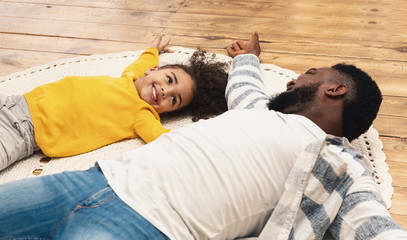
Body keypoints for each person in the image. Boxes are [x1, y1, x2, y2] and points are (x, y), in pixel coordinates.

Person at [0, 32, 406, 240]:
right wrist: (248, 57)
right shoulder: (258, 109)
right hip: (94, 178)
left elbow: (372, 225)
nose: (298, 78)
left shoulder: (340, 164)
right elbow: (244, 85)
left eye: (311, 76)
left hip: (146, 225)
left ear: (334, 90)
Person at [0, 34, 229, 172]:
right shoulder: (128, 77)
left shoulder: (142, 115)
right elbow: (143, 62)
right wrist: (153, 49)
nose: (164, 91)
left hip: (24, 133)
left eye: (174, 100)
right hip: (17, 102)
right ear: (154, 71)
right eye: (169, 80)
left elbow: (166, 140)